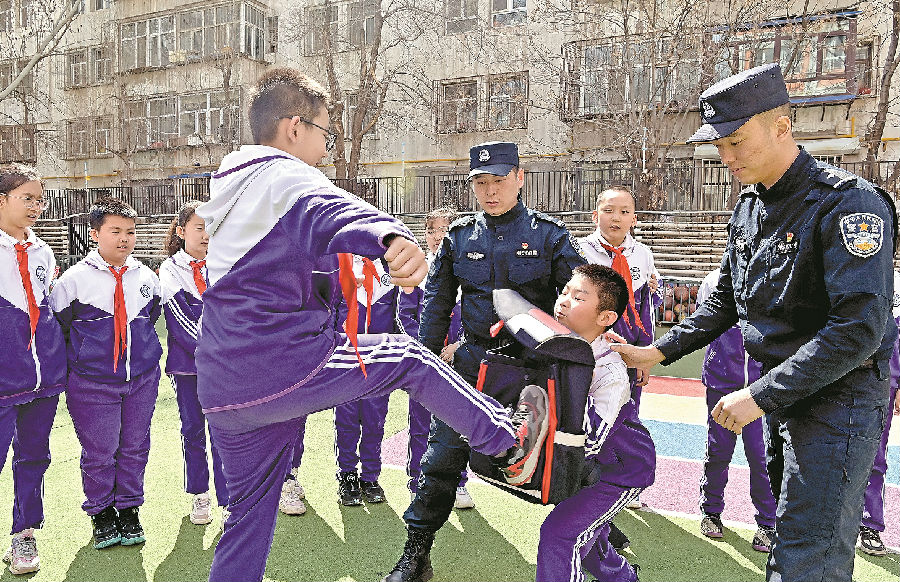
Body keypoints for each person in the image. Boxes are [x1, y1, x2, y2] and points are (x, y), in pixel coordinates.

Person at [193, 69, 545, 582]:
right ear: (294, 128)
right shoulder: (281, 176)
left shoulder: (232, 183)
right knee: (407, 357)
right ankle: (510, 441)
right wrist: (391, 237)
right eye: (325, 133)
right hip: (276, 364)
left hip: (223, 387)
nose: (326, 148)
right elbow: (330, 208)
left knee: (247, 519)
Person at [610, 63, 897, 582]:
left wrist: (759, 396)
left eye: (736, 142)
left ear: (782, 127)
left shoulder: (848, 204)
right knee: (791, 538)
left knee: (808, 555)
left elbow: (857, 328)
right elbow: (724, 299)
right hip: (784, 394)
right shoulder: (749, 206)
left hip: (839, 399)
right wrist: (658, 351)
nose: (726, 157)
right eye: (720, 145)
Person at [384, 141, 587, 582]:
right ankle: (416, 554)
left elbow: (582, 296)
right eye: (481, 183)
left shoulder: (550, 236)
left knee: (564, 464)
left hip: (533, 374)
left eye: (498, 180)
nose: (490, 191)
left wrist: (595, 345)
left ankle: (600, 548)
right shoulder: (458, 237)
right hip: (473, 368)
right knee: (440, 462)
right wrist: (425, 363)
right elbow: (437, 304)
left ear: (519, 178)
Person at [50, 197, 163, 550]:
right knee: (100, 451)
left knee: (135, 446)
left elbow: (151, 318)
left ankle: (128, 508)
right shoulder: (74, 280)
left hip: (141, 380)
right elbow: (60, 329)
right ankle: (101, 512)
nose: (124, 239)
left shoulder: (146, 277)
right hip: (92, 384)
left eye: (130, 231)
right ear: (95, 234)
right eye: (115, 231)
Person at [537, 263, 653, 582]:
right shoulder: (556, 343)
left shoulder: (609, 372)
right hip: (585, 469)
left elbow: (589, 443)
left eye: (578, 297)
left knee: (561, 535)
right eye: (564, 292)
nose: (564, 300)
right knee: (587, 534)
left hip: (618, 471)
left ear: (605, 318)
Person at [0, 165, 66, 575]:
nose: (36, 207)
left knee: (34, 457)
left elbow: (48, 307)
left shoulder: (42, 251)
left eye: (40, 200)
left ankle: (24, 535)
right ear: (2, 200)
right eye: (27, 198)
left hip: (43, 380)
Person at [578, 185, 661, 513]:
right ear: (594, 215)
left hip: (628, 353)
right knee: (590, 416)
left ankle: (625, 482)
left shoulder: (643, 255)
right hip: (591, 353)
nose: (616, 218)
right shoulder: (579, 251)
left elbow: (646, 308)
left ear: (634, 219)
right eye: (609, 210)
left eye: (624, 212)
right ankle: (586, 478)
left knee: (628, 418)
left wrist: (645, 356)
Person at [696, 268, 776, 551]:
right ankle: (711, 511)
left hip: (760, 388)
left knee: (761, 457)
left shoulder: (772, 275)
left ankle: (768, 523)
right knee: (718, 452)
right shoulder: (713, 280)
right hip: (721, 382)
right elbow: (702, 323)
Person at [160, 201, 228, 525]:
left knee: (223, 430)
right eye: (199, 228)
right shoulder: (171, 269)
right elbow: (179, 320)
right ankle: (200, 494)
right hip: (188, 366)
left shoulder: (224, 264)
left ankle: (229, 498)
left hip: (224, 366)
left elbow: (234, 313)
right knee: (193, 429)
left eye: (211, 228)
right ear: (181, 231)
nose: (206, 235)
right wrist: (214, 350)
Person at [333, 255, 418, 506]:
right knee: (346, 420)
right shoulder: (341, 268)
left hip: (379, 362)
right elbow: (332, 313)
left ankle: (370, 476)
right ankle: (347, 474)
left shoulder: (390, 272)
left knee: (375, 420)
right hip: (347, 361)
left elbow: (400, 317)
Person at [407, 207, 472, 509]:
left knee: (459, 421)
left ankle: (458, 483)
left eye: (444, 230)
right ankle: (417, 483)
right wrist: (425, 350)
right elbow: (405, 317)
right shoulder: (416, 270)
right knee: (421, 421)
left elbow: (481, 319)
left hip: (460, 361)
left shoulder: (471, 272)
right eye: (432, 230)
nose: (437, 236)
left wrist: (459, 345)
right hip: (425, 362)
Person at [857, 268, 900, 555]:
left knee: (876, 456)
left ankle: (870, 524)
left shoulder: (897, 282)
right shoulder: (856, 268)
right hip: (845, 377)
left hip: (885, 381)